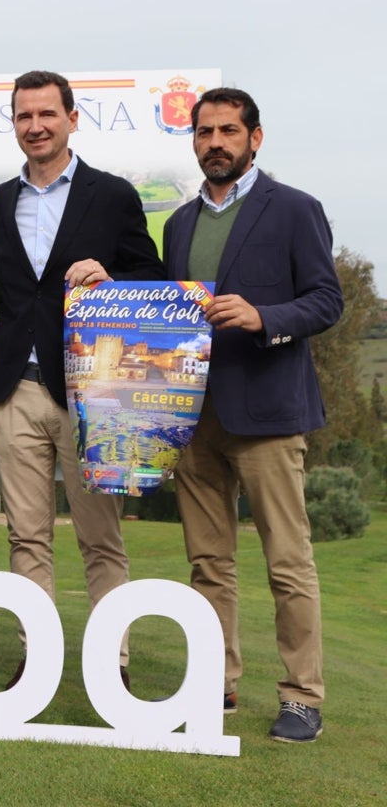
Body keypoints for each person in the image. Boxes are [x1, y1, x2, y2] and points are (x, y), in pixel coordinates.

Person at [164, 87, 341, 743]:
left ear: (255, 138)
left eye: (229, 132)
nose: (216, 142)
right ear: (195, 141)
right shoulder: (179, 223)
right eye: (206, 132)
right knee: (208, 562)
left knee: (287, 561)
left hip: (268, 410)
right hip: (195, 415)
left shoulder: (294, 210)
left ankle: (301, 697)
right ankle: (217, 684)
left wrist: (265, 317)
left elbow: (327, 300)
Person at [0, 70, 164, 688]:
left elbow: (153, 278)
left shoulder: (111, 195)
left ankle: (113, 667)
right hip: (15, 388)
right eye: (24, 116)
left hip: (93, 391)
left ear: (71, 118)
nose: (35, 126)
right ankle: (36, 661)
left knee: (100, 537)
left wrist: (112, 279)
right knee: (26, 536)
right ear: (15, 123)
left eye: (46, 115)